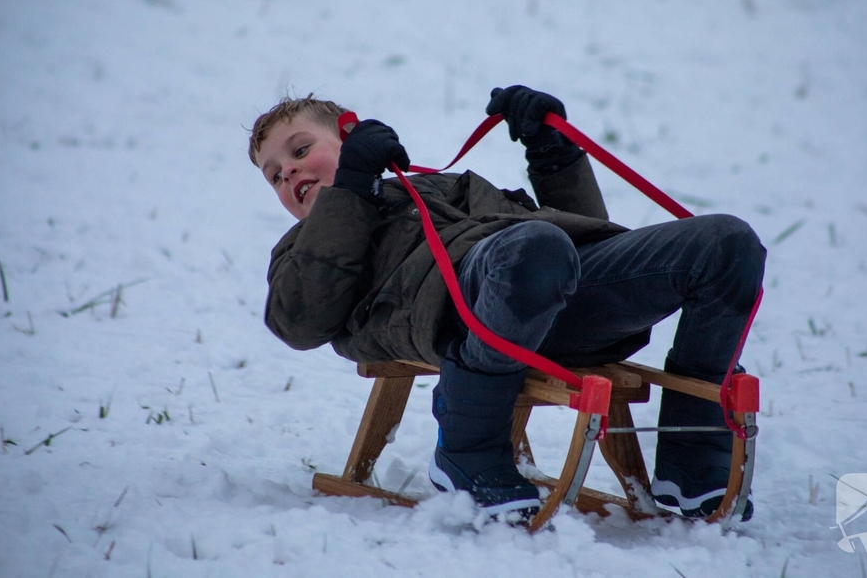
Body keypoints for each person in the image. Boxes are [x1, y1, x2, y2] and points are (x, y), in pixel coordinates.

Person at [248, 85, 766, 522]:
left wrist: (552, 152)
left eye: (298, 151)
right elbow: (299, 322)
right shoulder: (301, 249)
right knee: (533, 251)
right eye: (274, 175)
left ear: (348, 135)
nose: (289, 173)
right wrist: (354, 188)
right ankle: (467, 453)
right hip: (467, 312)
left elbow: (585, 244)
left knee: (727, 243)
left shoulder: (446, 187)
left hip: (556, 298)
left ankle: (695, 459)